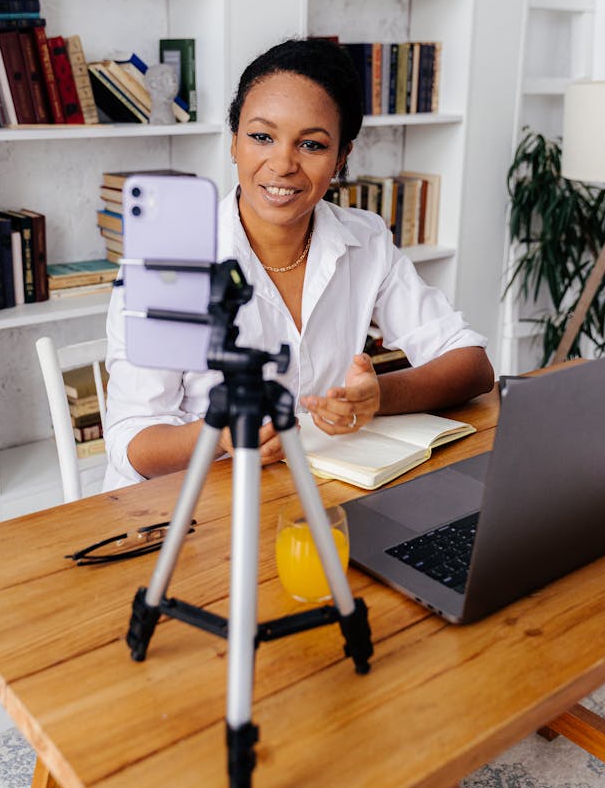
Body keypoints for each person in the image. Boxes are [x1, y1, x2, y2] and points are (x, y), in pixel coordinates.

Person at [103, 38, 493, 490]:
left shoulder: (364, 240)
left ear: (342, 156)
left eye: (311, 144)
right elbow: (132, 444)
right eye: (261, 137)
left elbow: (473, 365)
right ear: (234, 142)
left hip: (308, 492)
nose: (283, 164)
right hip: (187, 506)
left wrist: (376, 396)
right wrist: (223, 438)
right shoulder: (169, 259)